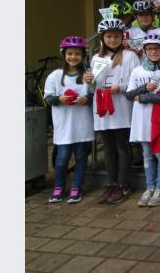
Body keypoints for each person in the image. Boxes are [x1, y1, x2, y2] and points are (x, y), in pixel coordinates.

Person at [85, 19, 140, 204]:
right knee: (108, 148)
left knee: (122, 147)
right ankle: (111, 182)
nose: (113, 39)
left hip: (122, 107)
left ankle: (123, 184)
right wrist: (89, 81)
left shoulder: (130, 57)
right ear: (102, 38)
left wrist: (121, 87)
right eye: (108, 36)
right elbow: (93, 87)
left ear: (122, 37)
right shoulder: (96, 58)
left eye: (116, 36)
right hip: (102, 107)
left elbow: (136, 82)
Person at [125, 34, 160, 207]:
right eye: (149, 49)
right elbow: (129, 95)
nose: (153, 51)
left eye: (156, 48)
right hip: (142, 119)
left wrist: (145, 97)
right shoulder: (137, 71)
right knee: (147, 154)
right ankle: (150, 187)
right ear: (144, 51)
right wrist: (143, 88)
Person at [45, 36, 94, 204]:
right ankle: (58, 187)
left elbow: (96, 97)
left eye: (77, 54)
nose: (73, 57)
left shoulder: (87, 76)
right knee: (62, 158)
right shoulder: (55, 76)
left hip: (83, 124)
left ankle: (76, 188)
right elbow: (48, 98)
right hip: (64, 126)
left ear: (83, 56)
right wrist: (60, 99)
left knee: (81, 157)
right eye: (70, 54)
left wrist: (86, 100)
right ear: (64, 54)